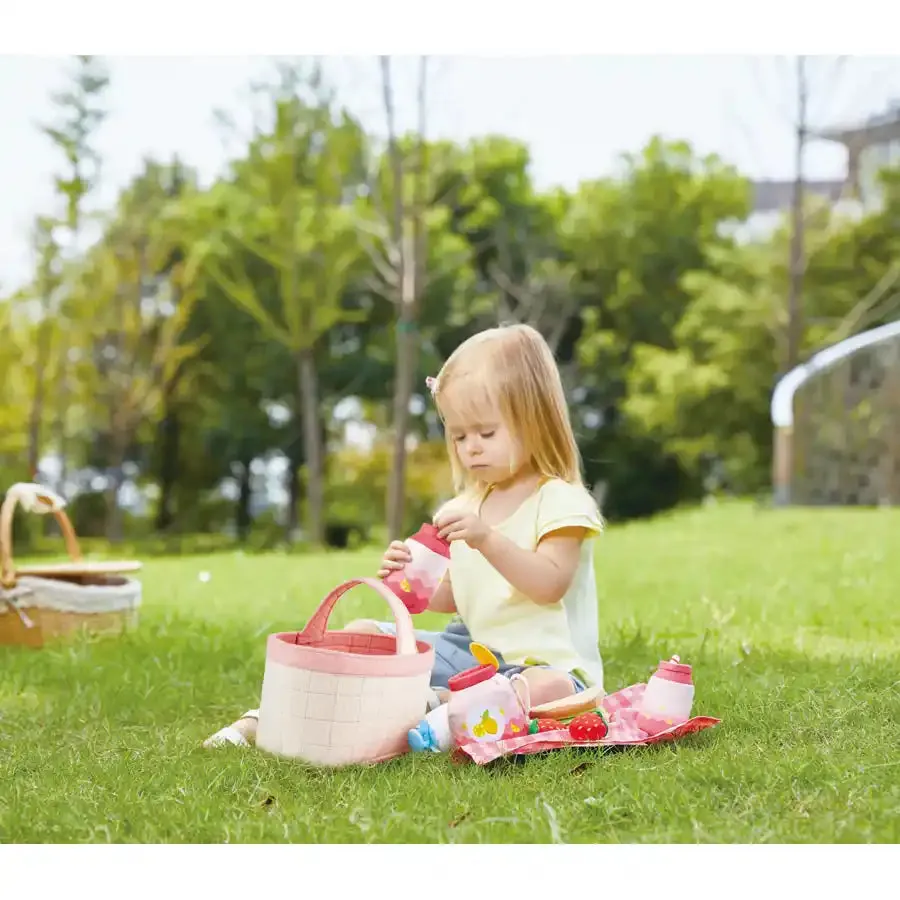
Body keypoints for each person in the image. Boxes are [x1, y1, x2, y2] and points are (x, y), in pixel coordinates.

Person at [204, 324, 604, 749]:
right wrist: (409, 578)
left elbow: (549, 584)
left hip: (543, 665)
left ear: (535, 421)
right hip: (471, 649)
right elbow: (450, 598)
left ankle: (426, 710)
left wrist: (488, 540)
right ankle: (273, 718)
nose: (471, 447)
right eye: (458, 435)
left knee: (550, 692)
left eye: (486, 433)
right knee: (361, 632)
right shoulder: (464, 506)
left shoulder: (560, 500)